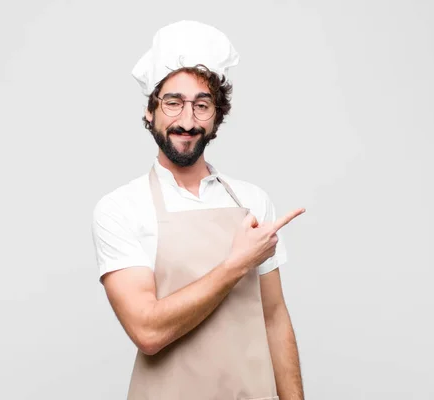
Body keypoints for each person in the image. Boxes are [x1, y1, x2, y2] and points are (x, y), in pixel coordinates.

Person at [92, 20, 306, 400]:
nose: (187, 121)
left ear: (216, 117)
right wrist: (237, 264)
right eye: (172, 102)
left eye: (202, 106)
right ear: (149, 111)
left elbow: (274, 319)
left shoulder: (251, 201)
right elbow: (148, 332)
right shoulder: (121, 209)